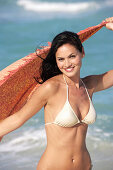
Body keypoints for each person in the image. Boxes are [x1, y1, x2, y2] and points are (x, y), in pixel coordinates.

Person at [0, 17, 113, 170]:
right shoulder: (50, 88)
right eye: (61, 59)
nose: (67, 64)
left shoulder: (89, 85)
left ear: (82, 53)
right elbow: (19, 118)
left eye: (72, 56)